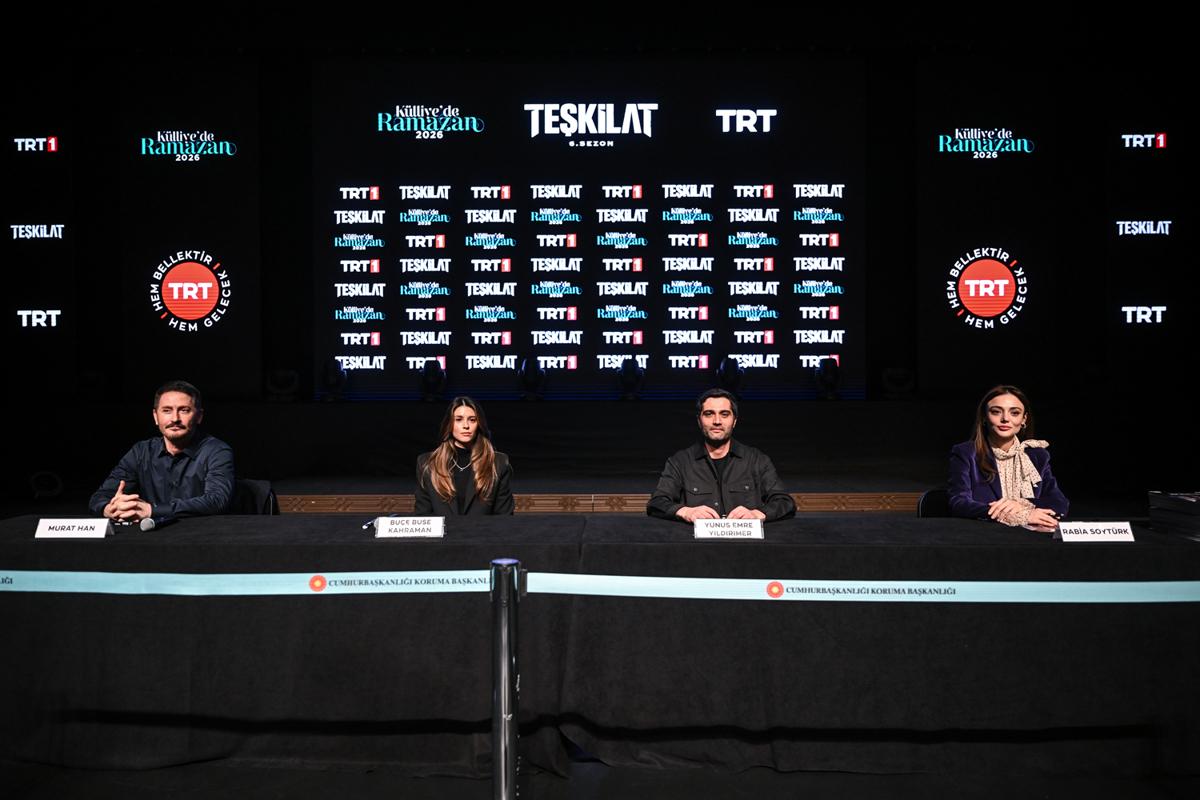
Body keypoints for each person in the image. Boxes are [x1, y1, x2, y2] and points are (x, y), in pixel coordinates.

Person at [89, 380, 234, 524]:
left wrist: (151, 510)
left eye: (184, 410)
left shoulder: (217, 451)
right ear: (155, 416)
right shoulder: (141, 452)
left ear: (199, 416)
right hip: (151, 534)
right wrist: (109, 509)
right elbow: (100, 497)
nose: (175, 418)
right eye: (167, 410)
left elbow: (217, 500)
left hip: (203, 533)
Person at [647, 388, 796, 522]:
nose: (717, 421)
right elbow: (656, 503)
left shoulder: (757, 460)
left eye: (724, 414)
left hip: (747, 542)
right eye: (709, 414)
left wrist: (757, 514)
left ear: (734, 421)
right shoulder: (680, 462)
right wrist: (686, 511)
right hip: (695, 542)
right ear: (699, 421)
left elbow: (785, 502)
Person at [947, 384, 1069, 531]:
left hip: (1033, 536)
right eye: (996, 412)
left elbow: (1059, 503)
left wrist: (1021, 504)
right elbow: (958, 503)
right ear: (984, 417)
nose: (1005, 419)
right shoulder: (966, 453)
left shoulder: (1038, 456)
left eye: (1014, 413)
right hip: (985, 534)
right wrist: (1015, 515)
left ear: (1024, 419)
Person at [415, 396, 514, 515]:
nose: (466, 425)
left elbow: (504, 517)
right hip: (444, 528)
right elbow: (423, 516)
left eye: (472, 420)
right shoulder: (427, 463)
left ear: (479, 424)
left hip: (483, 528)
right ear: (449, 424)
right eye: (458, 419)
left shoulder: (498, 463)